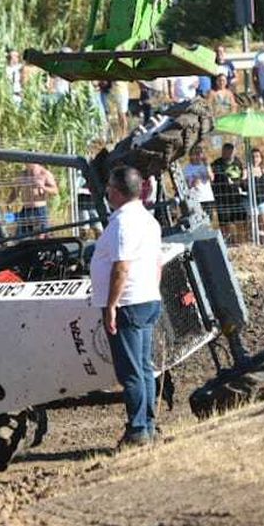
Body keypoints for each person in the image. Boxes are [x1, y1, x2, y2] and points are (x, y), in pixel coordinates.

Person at [90, 166, 164, 446]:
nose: (106, 190)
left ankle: (137, 430)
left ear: (118, 192)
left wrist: (111, 305)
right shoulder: (148, 220)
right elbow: (156, 264)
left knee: (131, 372)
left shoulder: (123, 223)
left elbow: (121, 267)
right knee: (143, 367)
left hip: (128, 303)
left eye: (109, 186)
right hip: (145, 298)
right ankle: (147, 424)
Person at [15, 162, 59, 236]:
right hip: (25, 210)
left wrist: (43, 187)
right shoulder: (22, 174)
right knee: (19, 237)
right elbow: (15, 192)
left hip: (40, 210)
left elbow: (55, 191)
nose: (26, 163)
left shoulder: (44, 173)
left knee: (42, 238)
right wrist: (7, 202)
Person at [183, 145, 216, 216]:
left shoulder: (205, 166)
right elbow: (187, 185)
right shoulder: (187, 168)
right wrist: (194, 182)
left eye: (200, 154)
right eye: (196, 154)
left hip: (207, 197)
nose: (198, 156)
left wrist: (207, 165)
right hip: (196, 199)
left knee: (208, 220)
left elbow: (212, 178)